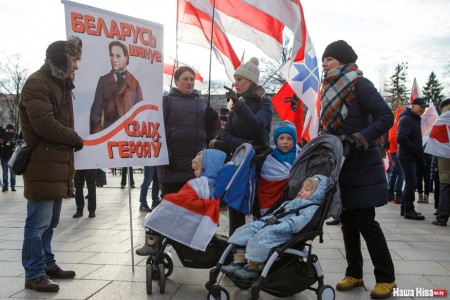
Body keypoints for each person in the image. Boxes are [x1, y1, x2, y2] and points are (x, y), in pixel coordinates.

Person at [320, 40, 396, 299]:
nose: (324, 64)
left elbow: (387, 115)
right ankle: (355, 273)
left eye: (329, 59)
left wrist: (360, 137)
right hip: (341, 164)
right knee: (348, 223)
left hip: (362, 162)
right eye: (324, 60)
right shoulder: (328, 89)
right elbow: (332, 126)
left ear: (342, 61)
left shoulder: (359, 84)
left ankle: (386, 277)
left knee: (366, 221)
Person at [19, 36, 83, 292]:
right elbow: (44, 125)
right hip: (42, 163)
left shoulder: (61, 85)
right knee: (38, 223)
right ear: (61, 60)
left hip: (56, 163)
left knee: (51, 221)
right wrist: (74, 138)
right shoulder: (38, 83)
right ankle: (34, 274)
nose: (77, 66)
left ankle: (46, 263)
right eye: (74, 60)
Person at [221, 175, 328, 280]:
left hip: (284, 231)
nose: (301, 191)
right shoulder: (290, 202)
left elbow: (297, 224)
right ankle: (238, 260)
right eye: (302, 188)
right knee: (246, 229)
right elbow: (275, 214)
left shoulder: (310, 208)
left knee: (262, 237)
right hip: (272, 223)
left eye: (307, 190)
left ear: (316, 195)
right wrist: (263, 221)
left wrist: (277, 227)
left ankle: (254, 268)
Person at [212, 57, 272, 235]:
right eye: (235, 79)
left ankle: (256, 253)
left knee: (257, 209)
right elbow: (227, 134)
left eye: (240, 79)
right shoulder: (236, 104)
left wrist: (238, 106)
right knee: (235, 205)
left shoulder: (264, 102)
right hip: (238, 161)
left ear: (251, 82)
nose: (235, 83)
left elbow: (258, 127)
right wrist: (245, 145)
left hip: (258, 163)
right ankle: (234, 251)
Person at [136, 149, 226, 255]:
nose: (194, 173)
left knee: (160, 213)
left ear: (207, 168)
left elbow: (186, 196)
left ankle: (151, 244)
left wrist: (171, 200)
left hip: (192, 212)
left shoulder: (203, 183)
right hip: (196, 211)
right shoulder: (213, 183)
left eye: (197, 169)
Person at [157, 66, 219, 199]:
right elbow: (157, 132)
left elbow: (211, 133)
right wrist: (165, 156)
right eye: (185, 79)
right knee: (172, 209)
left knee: (194, 210)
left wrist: (214, 120)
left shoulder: (202, 103)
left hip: (196, 168)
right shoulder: (166, 101)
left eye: (192, 79)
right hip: (172, 167)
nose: (189, 82)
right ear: (176, 81)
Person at [89, 41, 143, 134]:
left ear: (126, 58)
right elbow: (95, 115)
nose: (114, 59)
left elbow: (141, 115)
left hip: (128, 138)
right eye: (111, 55)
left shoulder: (135, 83)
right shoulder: (103, 81)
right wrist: (97, 139)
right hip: (108, 138)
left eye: (118, 56)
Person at [257, 121, 301, 216]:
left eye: (289, 138)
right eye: (281, 138)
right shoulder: (270, 155)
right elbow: (265, 174)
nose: (285, 142)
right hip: (271, 191)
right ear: (276, 140)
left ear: (294, 140)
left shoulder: (299, 154)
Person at [397, 97, 428, 220]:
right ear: (413, 106)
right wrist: (416, 149)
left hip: (409, 156)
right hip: (407, 156)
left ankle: (405, 209)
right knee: (411, 183)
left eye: (424, 107)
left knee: (410, 183)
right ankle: (409, 210)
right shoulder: (407, 119)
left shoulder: (412, 119)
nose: (423, 109)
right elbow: (402, 138)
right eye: (421, 106)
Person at [431, 98, 450, 226]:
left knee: (445, 187)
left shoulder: (443, 119)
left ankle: (442, 217)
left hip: (445, 156)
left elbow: (435, 138)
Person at [387, 108, 405, 204]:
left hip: (395, 151)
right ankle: (398, 196)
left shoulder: (398, 123)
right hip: (395, 151)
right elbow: (392, 138)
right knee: (400, 174)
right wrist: (403, 141)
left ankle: (390, 194)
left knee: (395, 173)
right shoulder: (396, 124)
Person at [1, 123, 18, 191]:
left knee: (13, 172)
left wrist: (15, 143)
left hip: (12, 157)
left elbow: (20, 144)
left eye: (11, 129)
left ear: (13, 129)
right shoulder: (3, 135)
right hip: (4, 156)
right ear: (7, 129)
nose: (10, 130)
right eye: (9, 129)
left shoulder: (16, 135)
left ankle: (13, 186)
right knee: (5, 172)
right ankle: (5, 186)